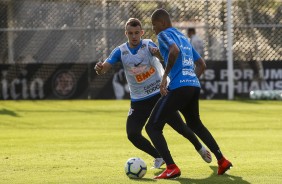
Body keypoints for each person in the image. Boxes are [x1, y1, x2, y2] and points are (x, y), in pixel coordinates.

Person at [94, 18, 212, 169]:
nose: (134, 36)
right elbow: (104, 68)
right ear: (126, 34)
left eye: (137, 33)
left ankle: (200, 148)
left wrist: (158, 53)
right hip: (138, 100)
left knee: (180, 127)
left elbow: (164, 56)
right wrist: (99, 68)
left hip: (159, 95)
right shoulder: (121, 51)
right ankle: (158, 156)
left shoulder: (148, 44)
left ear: (142, 33)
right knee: (133, 134)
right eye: (131, 33)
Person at [146, 9, 232, 179]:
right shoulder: (184, 38)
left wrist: (164, 78)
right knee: (195, 124)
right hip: (193, 86)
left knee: (152, 127)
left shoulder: (164, 35)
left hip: (179, 87)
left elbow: (174, 51)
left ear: (162, 23)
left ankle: (171, 167)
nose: (154, 30)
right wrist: (190, 79)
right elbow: (201, 64)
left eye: (154, 26)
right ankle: (222, 160)